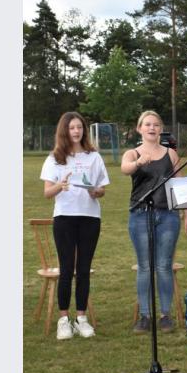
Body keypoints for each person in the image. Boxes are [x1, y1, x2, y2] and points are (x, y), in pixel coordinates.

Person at [121, 111, 187, 334]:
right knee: (145, 266)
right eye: (147, 124)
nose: (152, 128)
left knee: (164, 267)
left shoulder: (171, 154)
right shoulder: (132, 153)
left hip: (168, 216)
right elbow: (125, 169)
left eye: (156, 125)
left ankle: (165, 315)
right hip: (140, 215)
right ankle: (144, 316)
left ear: (161, 129)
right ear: (140, 128)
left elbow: (181, 186)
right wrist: (138, 163)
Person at [40, 112, 110, 340]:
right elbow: (47, 193)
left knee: (83, 270)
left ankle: (81, 318)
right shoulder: (54, 158)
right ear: (64, 131)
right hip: (65, 218)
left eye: (79, 127)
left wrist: (95, 191)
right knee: (66, 269)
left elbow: (102, 190)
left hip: (90, 218)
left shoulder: (94, 157)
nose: (76, 131)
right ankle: (63, 320)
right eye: (71, 128)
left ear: (84, 130)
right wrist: (60, 185)